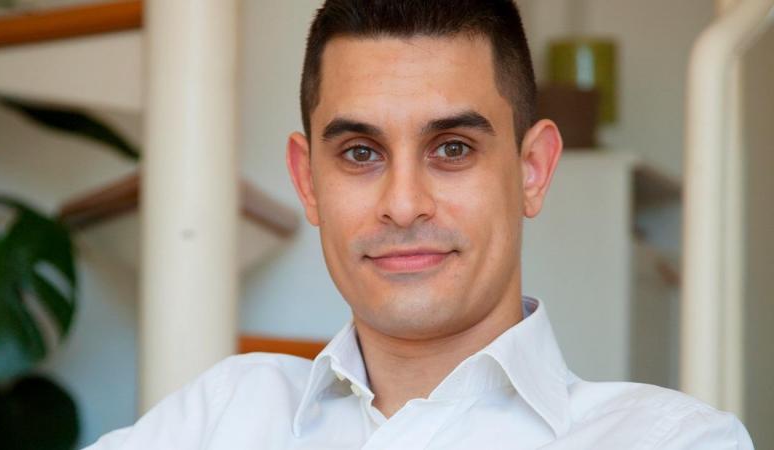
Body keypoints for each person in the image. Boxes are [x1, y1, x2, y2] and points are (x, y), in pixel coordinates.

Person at [87, 0, 753, 448]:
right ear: (307, 181)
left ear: (532, 170)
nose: (404, 205)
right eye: (360, 153)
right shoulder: (220, 415)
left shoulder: (671, 441)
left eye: (453, 148)